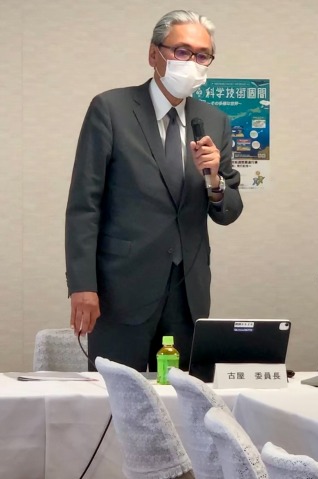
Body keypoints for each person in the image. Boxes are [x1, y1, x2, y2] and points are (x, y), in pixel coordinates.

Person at [65, 10, 243, 372]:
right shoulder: (111, 109)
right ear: (153, 54)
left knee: (184, 398)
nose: (192, 63)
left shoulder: (215, 120)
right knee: (116, 397)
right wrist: (82, 285)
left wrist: (214, 180)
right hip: (120, 291)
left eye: (202, 55)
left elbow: (228, 212)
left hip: (187, 293)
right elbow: (85, 205)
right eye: (182, 51)